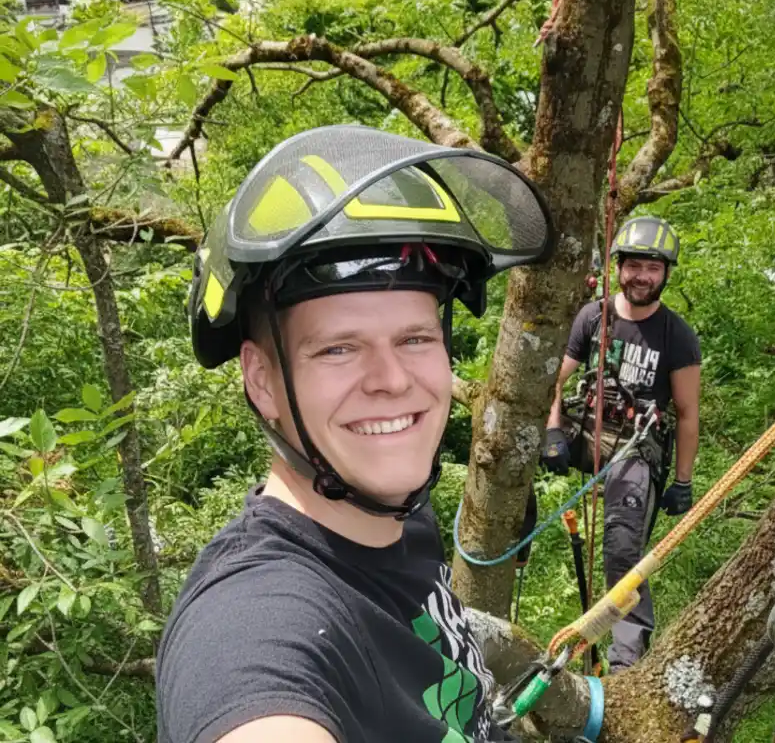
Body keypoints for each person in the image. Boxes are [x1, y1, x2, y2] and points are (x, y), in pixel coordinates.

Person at [156, 125, 554, 743]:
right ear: (262, 381)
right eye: (339, 348)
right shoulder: (251, 627)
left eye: (415, 338)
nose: (392, 380)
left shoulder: (395, 517)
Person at [541, 216, 701, 672]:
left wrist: (683, 482)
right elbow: (556, 379)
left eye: (652, 268)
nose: (642, 277)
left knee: (623, 545)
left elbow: (688, 415)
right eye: (634, 266)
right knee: (513, 440)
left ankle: (626, 660)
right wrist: (553, 430)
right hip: (587, 428)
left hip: (635, 447)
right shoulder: (593, 317)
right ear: (620, 267)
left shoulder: (676, 336)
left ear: (665, 273)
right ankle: (513, 558)